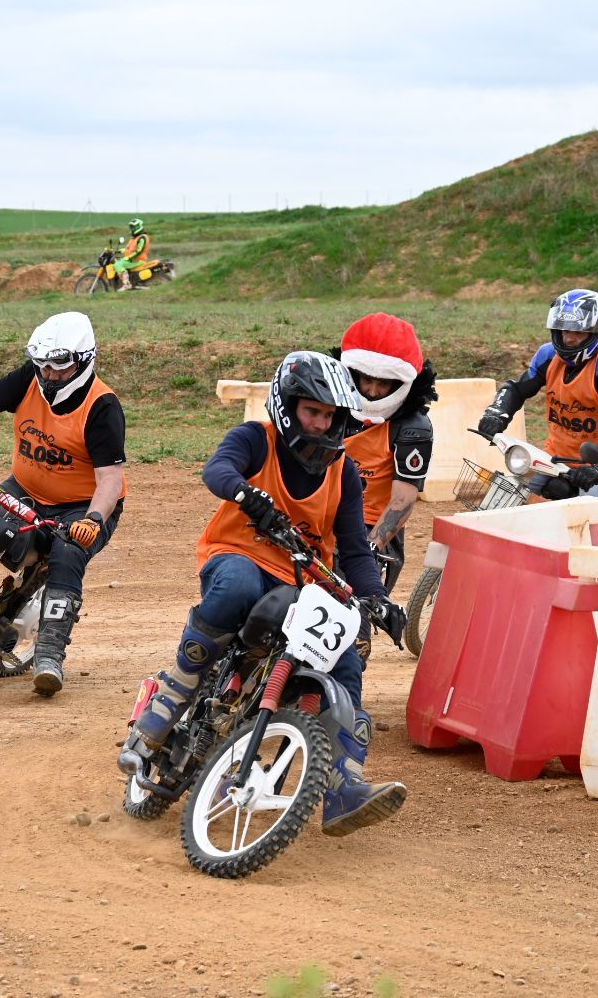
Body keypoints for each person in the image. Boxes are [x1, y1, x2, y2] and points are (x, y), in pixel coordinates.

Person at [118, 351, 407, 836]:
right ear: (288, 405)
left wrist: (379, 598)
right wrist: (247, 494)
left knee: (348, 661)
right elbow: (218, 470)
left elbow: (356, 550)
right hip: (240, 553)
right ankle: (175, 693)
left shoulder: (345, 472)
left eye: (329, 415)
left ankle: (342, 784)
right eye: (311, 412)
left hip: (304, 583)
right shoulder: (257, 438)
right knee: (238, 586)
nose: (320, 424)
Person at [0, 311, 127, 696]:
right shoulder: (29, 377)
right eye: (42, 365)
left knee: (67, 554)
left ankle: (49, 655)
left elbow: (110, 480)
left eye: (59, 366)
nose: (49, 374)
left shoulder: (102, 407)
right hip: (25, 489)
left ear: (84, 359)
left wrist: (92, 519)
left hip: (82, 506)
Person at [475, 288, 598, 499]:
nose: (569, 338)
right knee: (515, 495)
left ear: (595, 332)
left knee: (592, 517)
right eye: (564, 331)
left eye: (578, 332)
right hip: (555, 456)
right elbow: (517, 389)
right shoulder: (549, 354)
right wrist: (497, 412)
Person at [335, 313, 437, 589]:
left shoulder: (413, 427)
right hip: (321, 516)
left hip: (369, 527)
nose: (372, 391)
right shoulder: (332, 407)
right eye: (366, 380)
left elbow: (404, 496)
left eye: (383, 384)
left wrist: (371, 548)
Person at [117, 218, 151, 287]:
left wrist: (128, 257)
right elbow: (128, 250)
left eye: (134, 227)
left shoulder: (142, 238)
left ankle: (126, 284)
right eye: (131, 227)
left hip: (138, 260)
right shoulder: (134, 238)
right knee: (119, 262)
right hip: (133, 260)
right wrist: (117, 251)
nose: (132, 229)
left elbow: (139, 251)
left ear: (139, 226)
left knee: (118, 264)